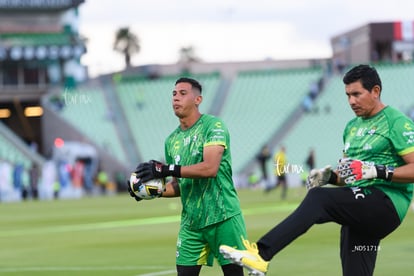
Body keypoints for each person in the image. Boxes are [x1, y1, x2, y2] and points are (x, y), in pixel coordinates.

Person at [219, 64, 414, 276]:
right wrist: (329, 176)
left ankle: (261, 254)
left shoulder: (396, 122)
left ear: (375, 91)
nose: (351, 101)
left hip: (386, 205)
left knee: (319, 199)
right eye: (348, 95)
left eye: (357, 94)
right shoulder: (352, 127)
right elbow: (351, 175)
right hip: (361, 206)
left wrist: (378, 171)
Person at [128, 77, 248, 276]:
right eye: (174, 94)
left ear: (198, 99)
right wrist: (146, 190)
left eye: (183, 94)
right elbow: (179, 185)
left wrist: (167, 170)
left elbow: (210, 168)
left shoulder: (214, 126)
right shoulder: (171, 141)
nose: (176, 98)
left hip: (224, 217)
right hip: (191, 224)